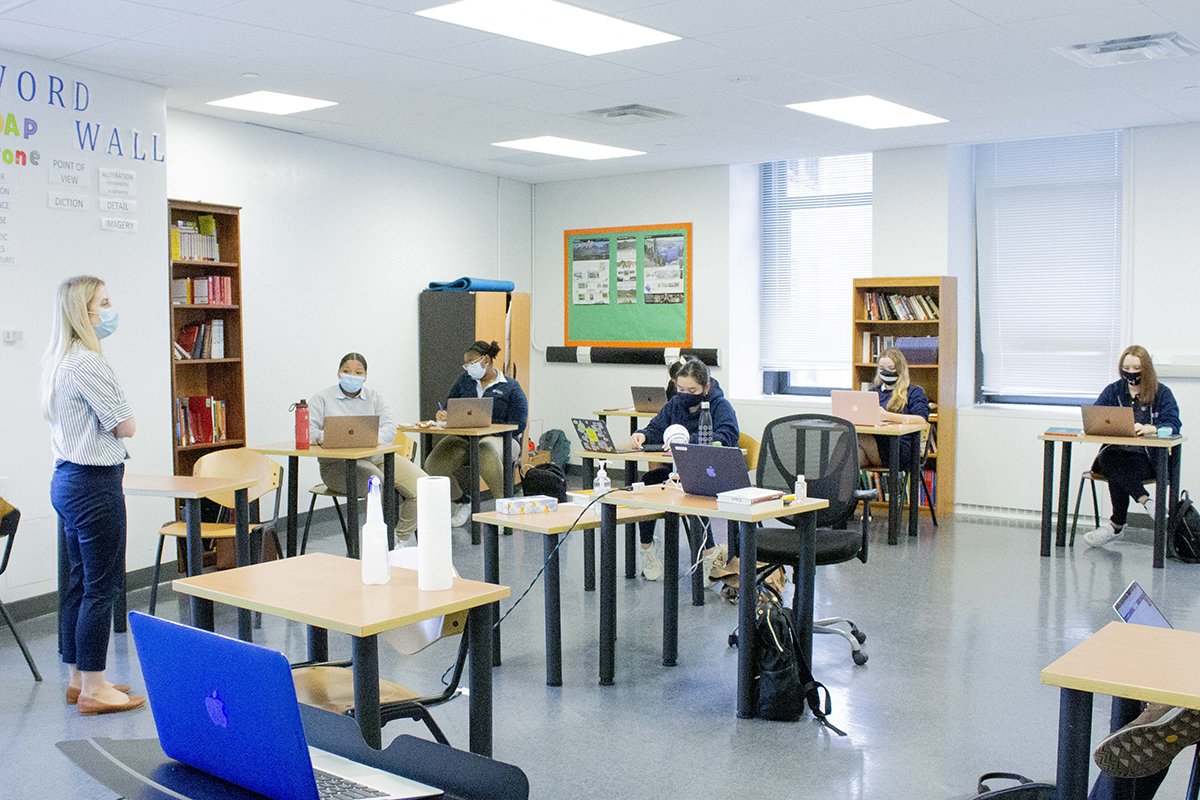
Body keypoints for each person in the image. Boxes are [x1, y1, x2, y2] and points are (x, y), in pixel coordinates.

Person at [40, 276, 145, 716]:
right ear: (84, 313)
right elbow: (126, 426)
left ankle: (79, 679)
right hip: (94, 484)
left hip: (66, 481)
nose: (110, 309)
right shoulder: (89, 364)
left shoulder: (59, 362)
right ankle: (96, 689)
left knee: (78, 585)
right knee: (102, 588)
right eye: (103, 302)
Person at [629, 358, 739, 580]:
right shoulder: (674, 405)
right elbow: (656, 428)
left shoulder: (720, 406)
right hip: (676, 473)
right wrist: (643, 434)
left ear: (706, 388)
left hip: (710, 472)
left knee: (694, 489)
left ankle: (708, 554)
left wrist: (688, 441)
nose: (685, 393)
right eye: (680, 389)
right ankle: (647, 548)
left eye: (692, 389)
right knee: (648, 483)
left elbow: (727, 436)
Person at [309, 352, 425, 542]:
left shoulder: (374, 398)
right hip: (337, 465)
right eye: (346, 371)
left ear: (365, 376)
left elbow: (389, 428)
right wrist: (328, 436)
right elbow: (307, 432)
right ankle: (378, 543)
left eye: (358, 372)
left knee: (422, 484)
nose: (351, 376)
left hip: (377, 457)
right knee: (378, 483)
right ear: (338, 373)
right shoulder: (322, 399)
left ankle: (397, 540)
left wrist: (368, 438)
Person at [1083, 345, 1181, 548]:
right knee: (1110, 459)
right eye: (1127, 367)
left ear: (1146, 368)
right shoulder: (1114, 390)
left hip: (1147, 458)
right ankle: (1146, 501)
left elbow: (1173, 423)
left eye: (1136, 368)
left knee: (1118, 469)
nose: (1131, 373)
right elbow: (1096, 415)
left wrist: (1151, 428)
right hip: (1115, 453)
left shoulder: (1161, 393)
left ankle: (1116, 525)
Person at [425, 340, 528, 527]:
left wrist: (489, 426)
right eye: (466, 364)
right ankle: (462, 502)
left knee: (484, 452)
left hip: (501, 438)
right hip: (465, 437)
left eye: (472, 363)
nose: (468, 368)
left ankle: (505, 508)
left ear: (487, 359)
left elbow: (519, 424)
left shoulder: (511, 387)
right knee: (434, 464)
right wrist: (444, 414)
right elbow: (450, 406)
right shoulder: (464, 381)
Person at [857, 347, 930, 470]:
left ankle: (825, 485)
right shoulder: (873, 392)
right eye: (882, 369)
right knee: (849, 461)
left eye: (891, 369)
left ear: (900, 369)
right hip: (874, 446)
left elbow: (921, 420)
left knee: (855, 439)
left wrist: (886, 415)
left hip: (900, 448)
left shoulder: (914, 392)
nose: (886, 372)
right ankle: (839, 488)